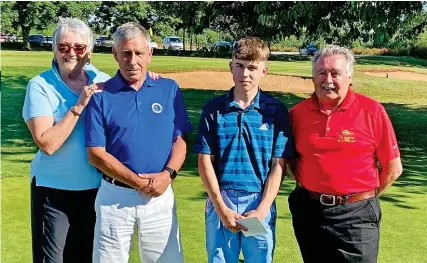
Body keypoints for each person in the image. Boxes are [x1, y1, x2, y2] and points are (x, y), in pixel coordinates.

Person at [85, 22, 191, 263]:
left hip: (160, 195)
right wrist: (138, 182)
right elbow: (95, 154)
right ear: (115, 54)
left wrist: (168, 175)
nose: (133, 60)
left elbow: (180, 139)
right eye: (126, 53)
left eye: (139, 53)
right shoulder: (100, 95)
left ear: (150, 54)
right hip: (115, 197)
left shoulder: (168, 88)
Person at [288, 45, 403, 263]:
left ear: (349, 77)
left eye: (335, 73)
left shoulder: (372, 111)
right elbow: (291, 161)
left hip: (357, 216)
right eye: (321, 72)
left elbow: (393, 167)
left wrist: (364, 197)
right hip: (310, 212)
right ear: (313, 77)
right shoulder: (297, 114)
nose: (327, 79)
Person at [194, 37, 295, 263]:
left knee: (259, 259)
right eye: (239, 66)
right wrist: (220, 208)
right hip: (222, 200)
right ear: (231, 67)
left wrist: (261, 210)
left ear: (264, 71)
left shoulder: (275, 111)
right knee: (220, 259)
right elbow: (204, 161)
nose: (245, 74)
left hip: (258, 202)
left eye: (252, 68)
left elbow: (278, 165)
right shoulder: (214, 109)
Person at [22, 18, 111, 263]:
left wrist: (152, 79)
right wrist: (79, 105)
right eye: (63, 47)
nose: (71, 53)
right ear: (54, 49)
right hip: (53, 191)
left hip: (95, 189)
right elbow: (47, 143)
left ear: (89, 52)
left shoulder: (102, 80)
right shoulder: (39, 85)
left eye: (79, 48)